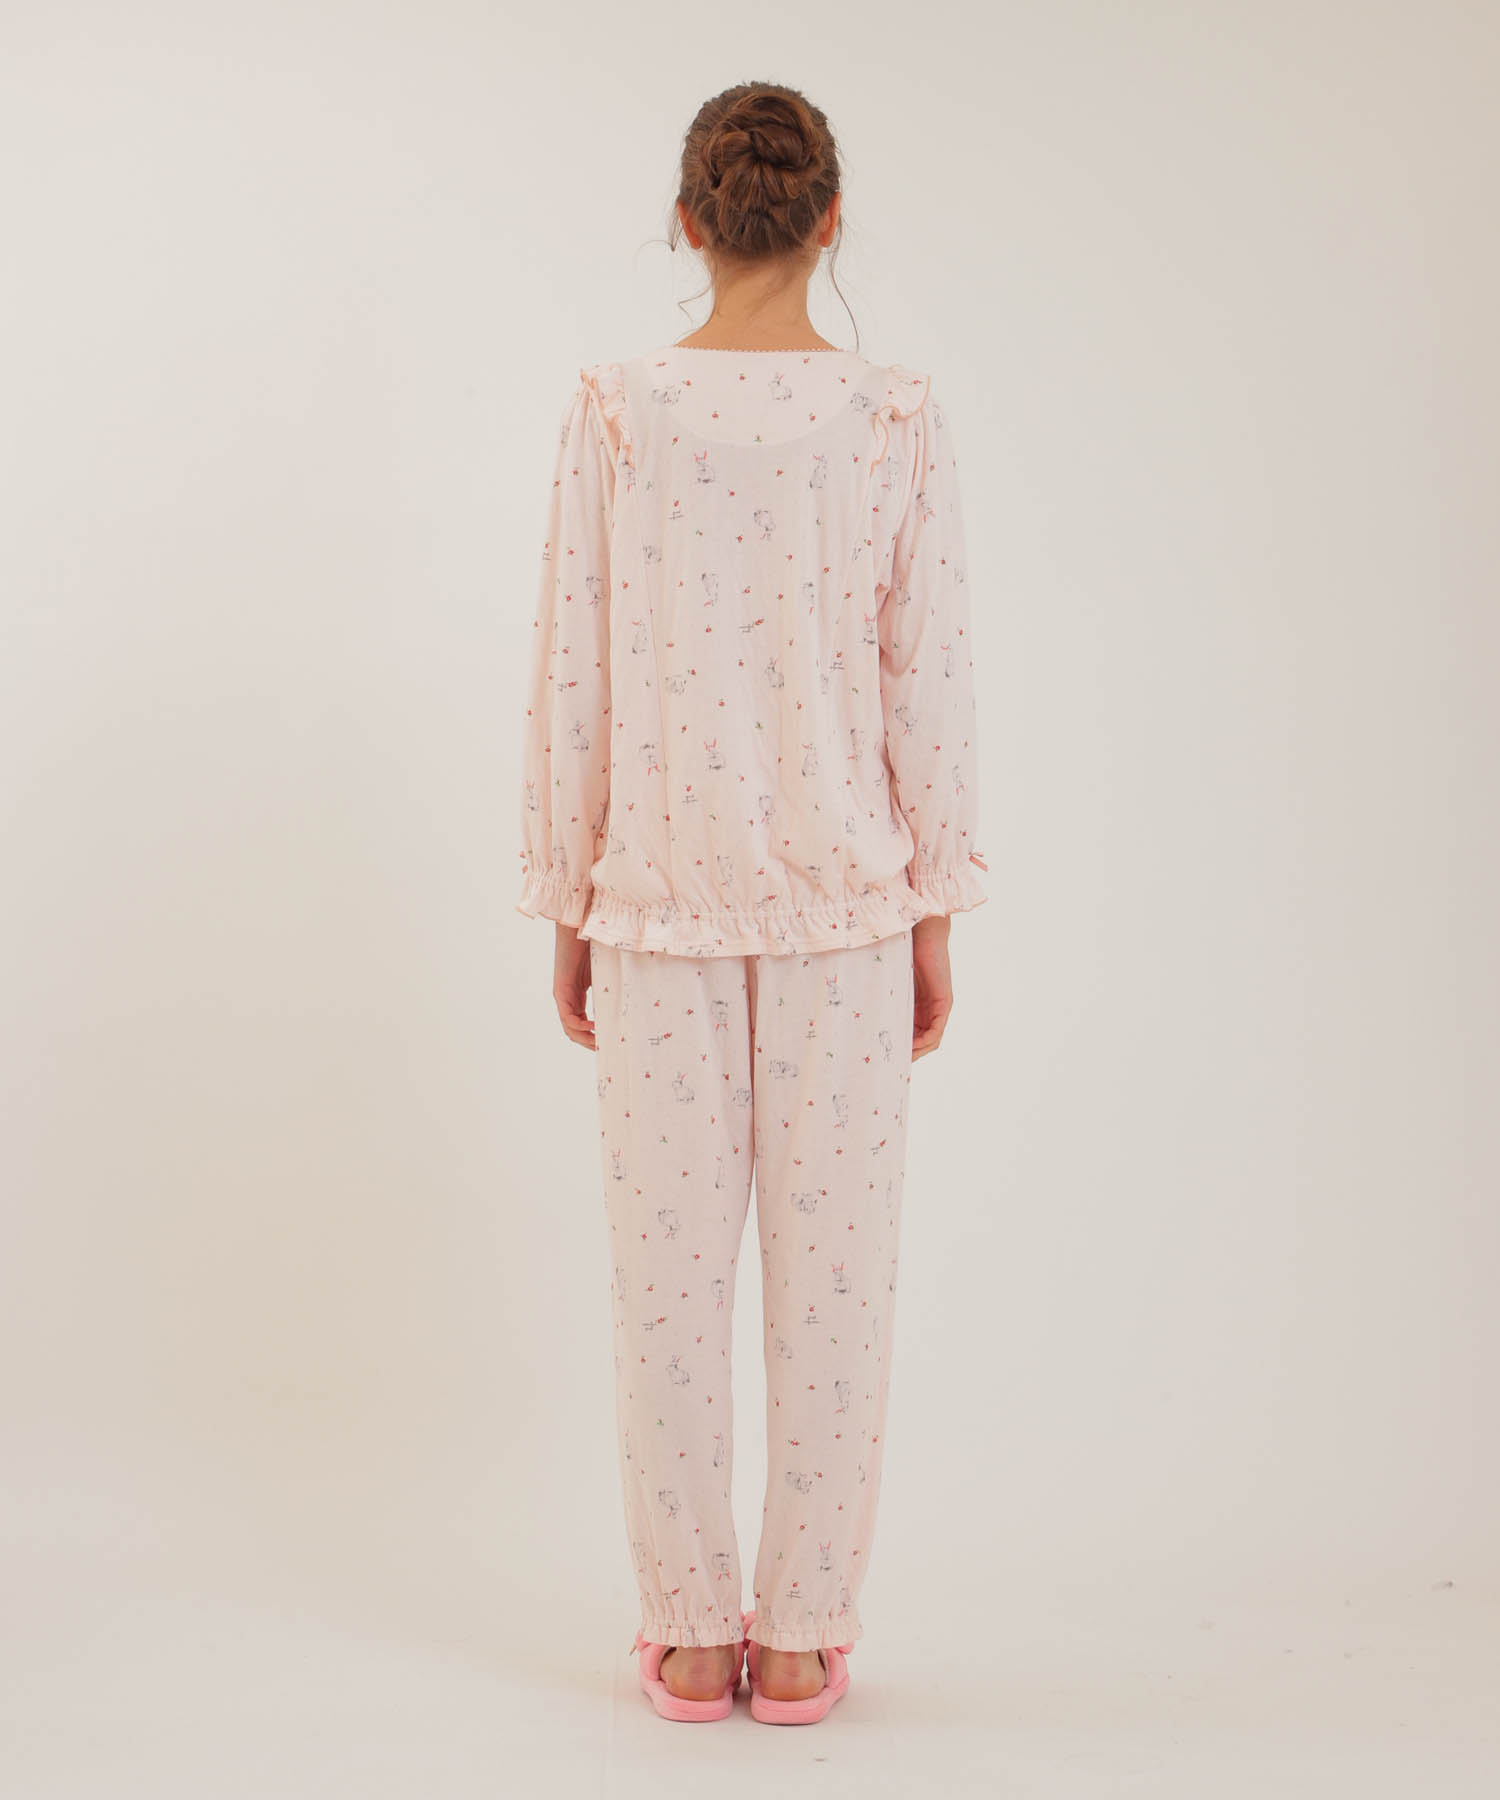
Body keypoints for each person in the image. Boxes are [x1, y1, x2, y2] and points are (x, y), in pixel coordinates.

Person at [516, 81, 987, 1725]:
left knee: (666, 1294)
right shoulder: (894, 417)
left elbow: (574, 667)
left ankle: (689, 1632)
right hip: (848, 917)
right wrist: (935, 910)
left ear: (690, 221)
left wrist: (566, 899)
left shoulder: (618, 410)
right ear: (830, 218)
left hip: (657, 910)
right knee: (836, 1286)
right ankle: (798, 1639)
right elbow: (928, 681)